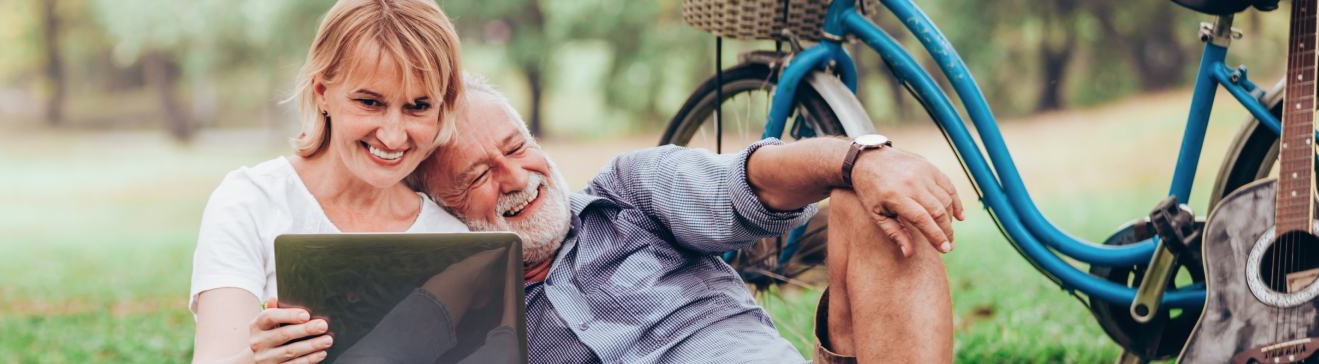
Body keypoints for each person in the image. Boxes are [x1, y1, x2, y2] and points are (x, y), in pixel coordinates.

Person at [408, 74, 960, 363]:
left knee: (873, 202)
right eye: (476, 176)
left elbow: (745, 181)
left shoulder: (627, 194)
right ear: (440, 209)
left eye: (517, 146)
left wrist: (860, 158)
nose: (516, 177)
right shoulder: (465, 318)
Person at [187, 1, 471, 363]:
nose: (394, 135)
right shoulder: (250, 201)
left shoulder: (454, 243)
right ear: (323, 92)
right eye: (370, 102)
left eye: (418, 107)